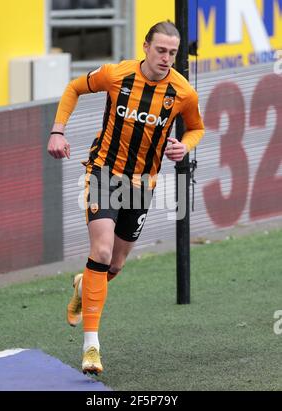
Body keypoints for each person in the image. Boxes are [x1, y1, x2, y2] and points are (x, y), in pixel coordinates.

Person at [47, 21, 205, 375]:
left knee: (113, 266)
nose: (166, 59)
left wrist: (184, 146)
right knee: (100, 252)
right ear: (146, 47)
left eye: (173, 53)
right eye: (161, 50)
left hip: (142, 185)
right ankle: (91, 348)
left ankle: (82, 284)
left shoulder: (182, 92)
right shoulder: (116, 75)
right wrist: (58, 130)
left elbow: (196, 127)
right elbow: (74, 87)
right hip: (104, 172)